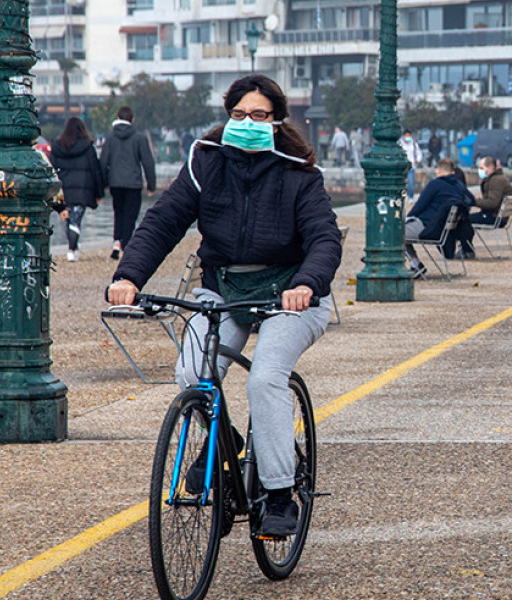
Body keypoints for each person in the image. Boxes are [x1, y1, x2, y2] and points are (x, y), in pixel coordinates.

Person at [106, 74, 340, 537]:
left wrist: (307, 283)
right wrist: (129, 276)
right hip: (225, 289)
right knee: (193, 372)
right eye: (238, 115)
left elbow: (324, 238)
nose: (246, 123)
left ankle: (278, 494)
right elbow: (163, 222)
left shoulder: (300, 173)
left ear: (276, 121)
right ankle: (225, 445)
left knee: (266, 376)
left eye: (258, 116)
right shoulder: (205, 162)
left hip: (290, 295)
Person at [99, 105, 157, 260]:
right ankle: (125, 246)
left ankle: (117, 242)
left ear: (117, 118)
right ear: (132, 119)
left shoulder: (110, 138)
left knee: (118, 212)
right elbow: (148, 162)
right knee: (130, 215)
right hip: (133, 183)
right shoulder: (139, 137)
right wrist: (151, 185)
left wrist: (103, 182)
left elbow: (103, 161)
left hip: (115, 183)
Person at [404, 157, 475, 276]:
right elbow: (471, 200)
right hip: (447, 231)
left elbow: (419, 206)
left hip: (428, 227)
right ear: (452, 171)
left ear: (438, 171)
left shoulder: (434, 184)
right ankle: (415, 264)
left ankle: (415, 264)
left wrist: (407, 218)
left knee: (395, 232)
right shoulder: (459, 185)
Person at [50, 117, 105, 262]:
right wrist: (99, 193)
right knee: (76, 219)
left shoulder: (57, 147)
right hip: (82, 189)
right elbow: (96, 171)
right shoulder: (87, 148)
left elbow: (51, 171)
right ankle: (71, 249)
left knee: (68, 219)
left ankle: (72, 247)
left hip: (64, 189)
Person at [472, 155, 512, 234]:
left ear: (490, 168)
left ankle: (466, 245)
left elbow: (492, 203)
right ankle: (466, 245)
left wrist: (474, 201)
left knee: (463, 220)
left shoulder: (496, 180)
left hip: (495, 217)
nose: (479, 171)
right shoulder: (498, 178)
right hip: (499, 216)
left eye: (481, 168)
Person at [398, 129, 424, 199]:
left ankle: (410, 197)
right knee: (401, 184)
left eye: (409, 136)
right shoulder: (400, 145)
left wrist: (417, 160)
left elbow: (419, 154)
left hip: (411, 167)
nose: (407, 137)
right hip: (401, 167)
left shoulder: (414, 144)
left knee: (411, 184)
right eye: (406, 136)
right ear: (403, 136)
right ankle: (401, 197)